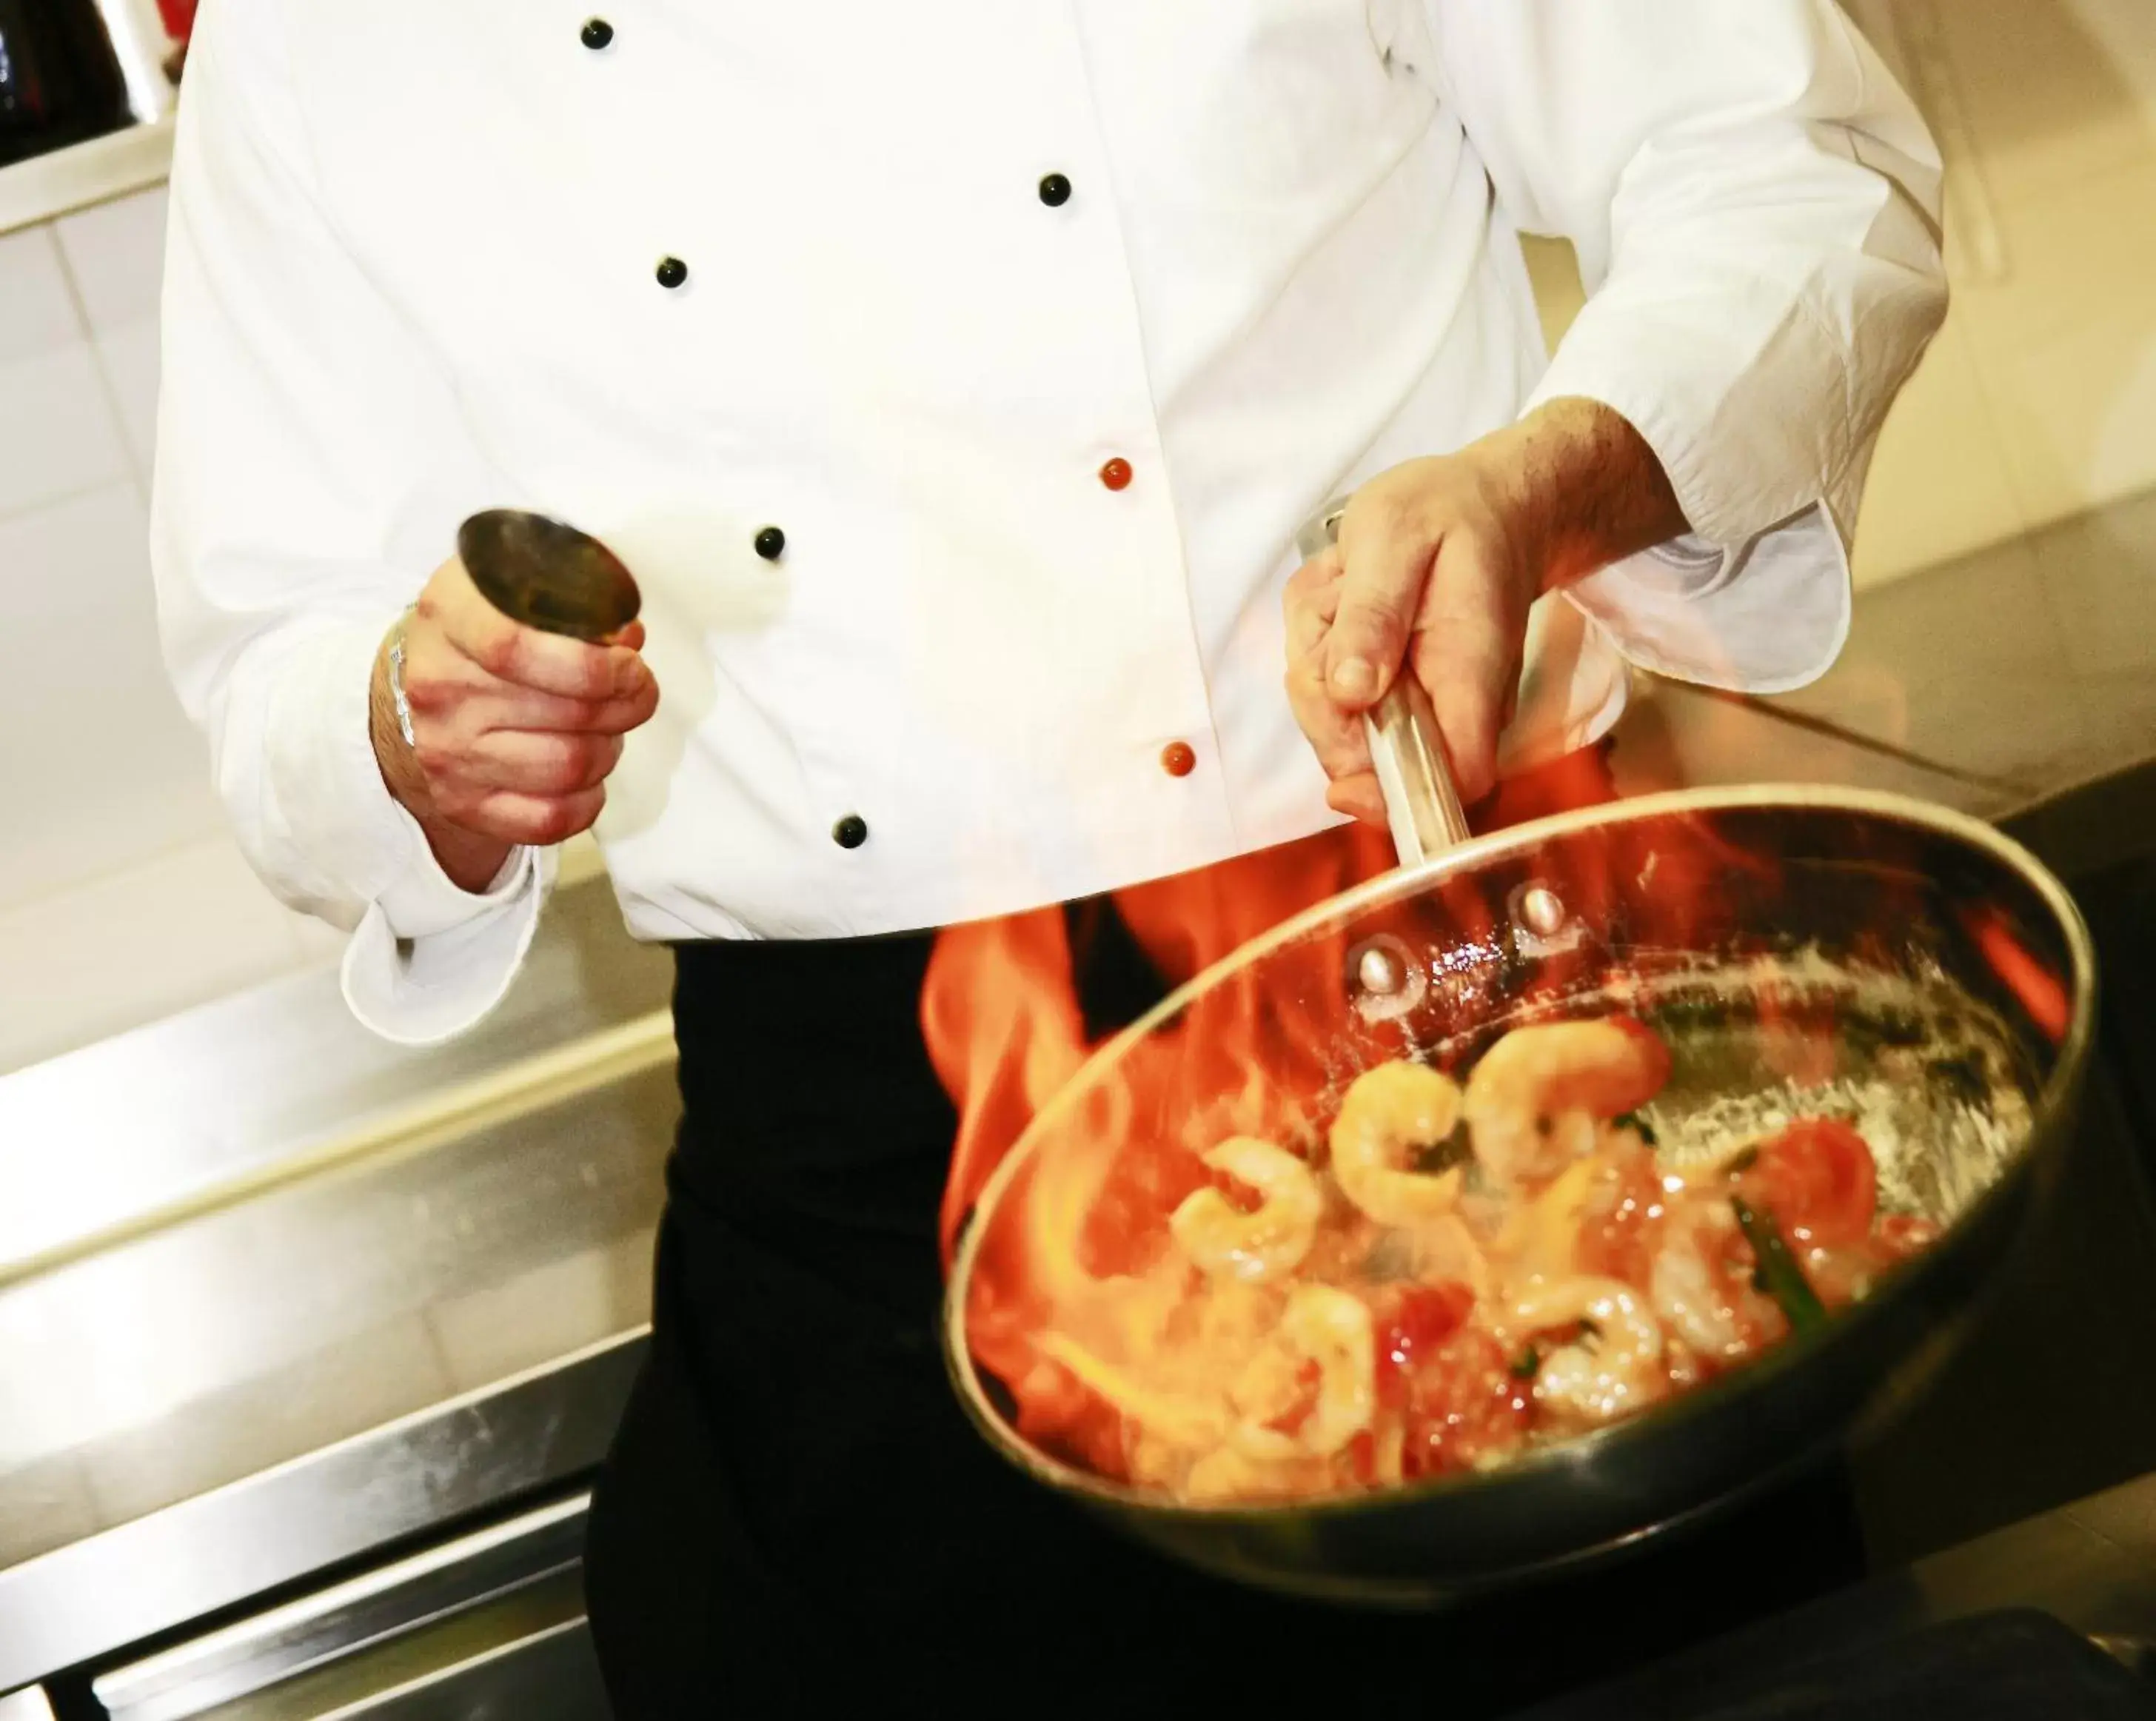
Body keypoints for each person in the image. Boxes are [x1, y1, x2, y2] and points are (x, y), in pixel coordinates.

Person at [153, 1, 1946, 1709]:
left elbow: (1791, 165)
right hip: (879, 1175)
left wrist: (1552, 481)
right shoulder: (322, 30)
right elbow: (271, 657)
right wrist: (413, 730)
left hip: (1468, 1012)